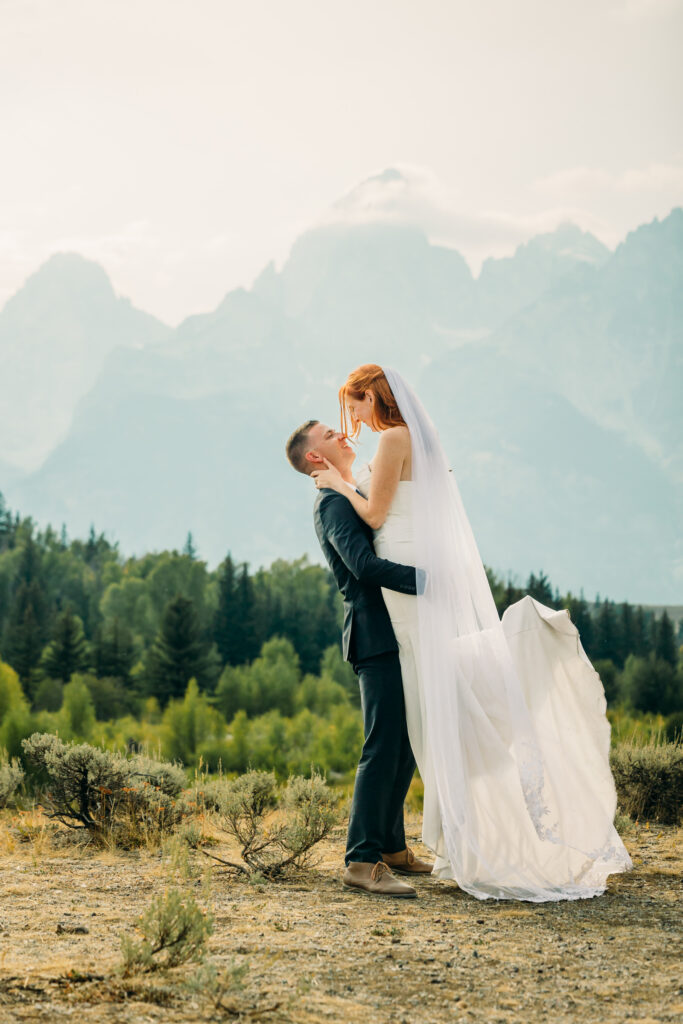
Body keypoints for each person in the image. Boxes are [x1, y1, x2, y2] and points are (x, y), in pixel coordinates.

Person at [311, 364, 633, 902]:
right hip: (397, 604)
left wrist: (342, 483)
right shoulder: (394, 446)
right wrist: (340, 485)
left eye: (354, 406)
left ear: (373, 396)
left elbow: (376, 514)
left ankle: (396, 847)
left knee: (415, 722)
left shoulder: (393, 439)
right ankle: (383, 849)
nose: (352, 422)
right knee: (409, 725)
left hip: (411, 589)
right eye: (338, 422)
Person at [285, 419, 433, 898]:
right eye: (330, 435)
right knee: (382, 745)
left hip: (398, 632)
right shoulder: (332, 504)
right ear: (314, 457)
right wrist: (431, 581)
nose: (343, 435)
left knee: (405, 741)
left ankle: (392, 847)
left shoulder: (346, 493)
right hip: (375, 636)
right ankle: (360, 860)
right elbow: (364, 568)